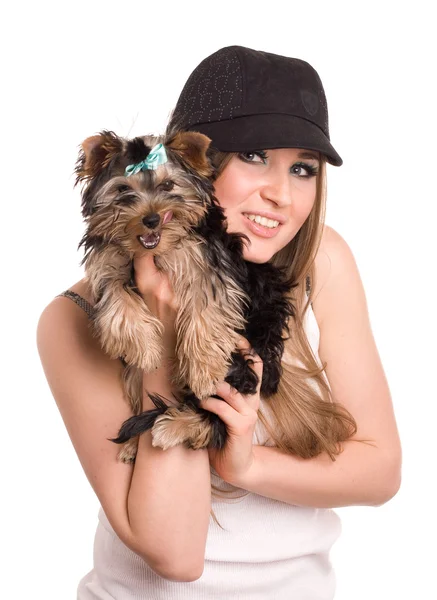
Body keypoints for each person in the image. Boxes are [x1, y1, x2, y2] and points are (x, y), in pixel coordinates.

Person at [36, 45, 402, 599]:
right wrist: (164, 335)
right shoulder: (76, 318)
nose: (281, 194)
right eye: (254, 156)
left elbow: (380, 473)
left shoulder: (319, 263)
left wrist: (246, 466)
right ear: (190, 165)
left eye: (302, 168)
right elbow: (176, 555)